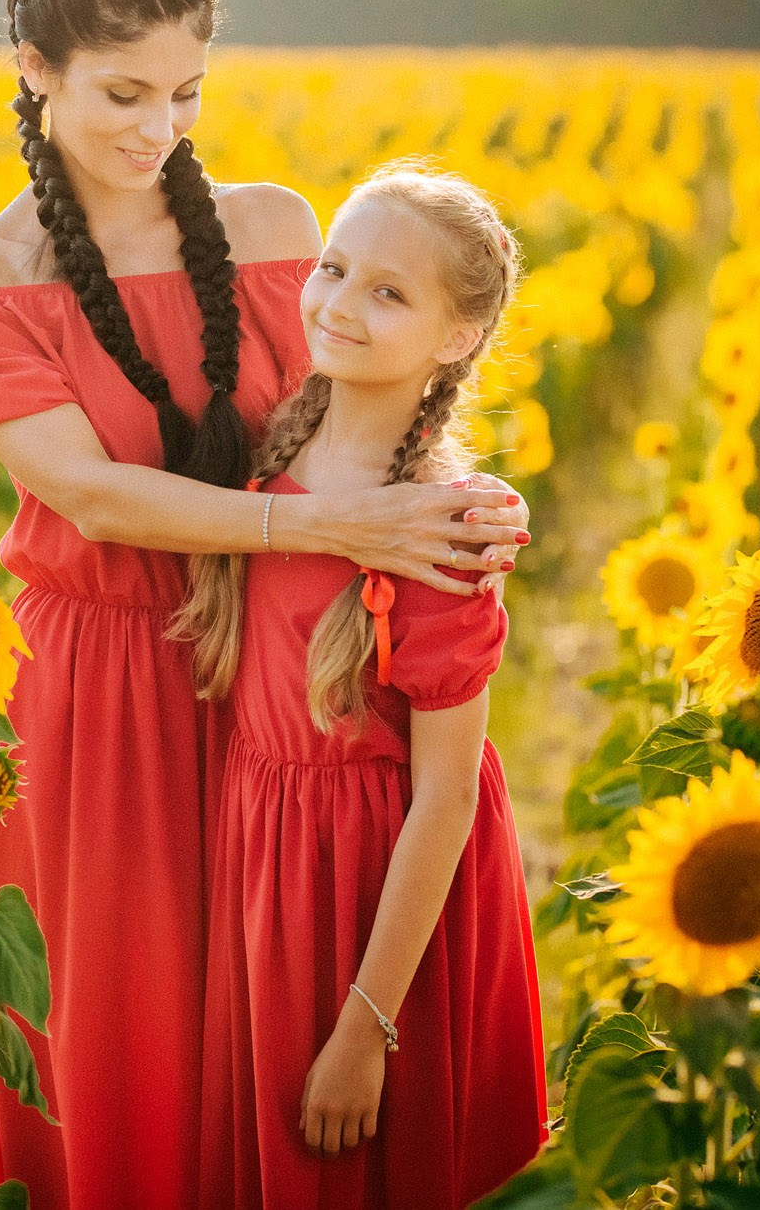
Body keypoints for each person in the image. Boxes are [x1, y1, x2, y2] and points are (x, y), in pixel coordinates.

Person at [0, 0, 530, 1208]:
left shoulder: (273, 228)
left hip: (282, 673)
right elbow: (89, 494)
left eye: (187, 92)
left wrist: (456, 503)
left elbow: (353, 421)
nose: (161, 129)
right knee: (129, 1040)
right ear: (35, 65)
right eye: (124, 93)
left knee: (285, 1027)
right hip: (106, 703)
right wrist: (331, 531)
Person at [174, 164, 547, 1209]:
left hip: (373, 890)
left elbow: (448, 795)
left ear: (458, 337)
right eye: (333, 269)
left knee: (350, 1166)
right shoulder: (264, 453)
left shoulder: (443, 530)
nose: (340, 304)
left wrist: (366, 1023)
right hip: (264, 862)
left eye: (390, 292)